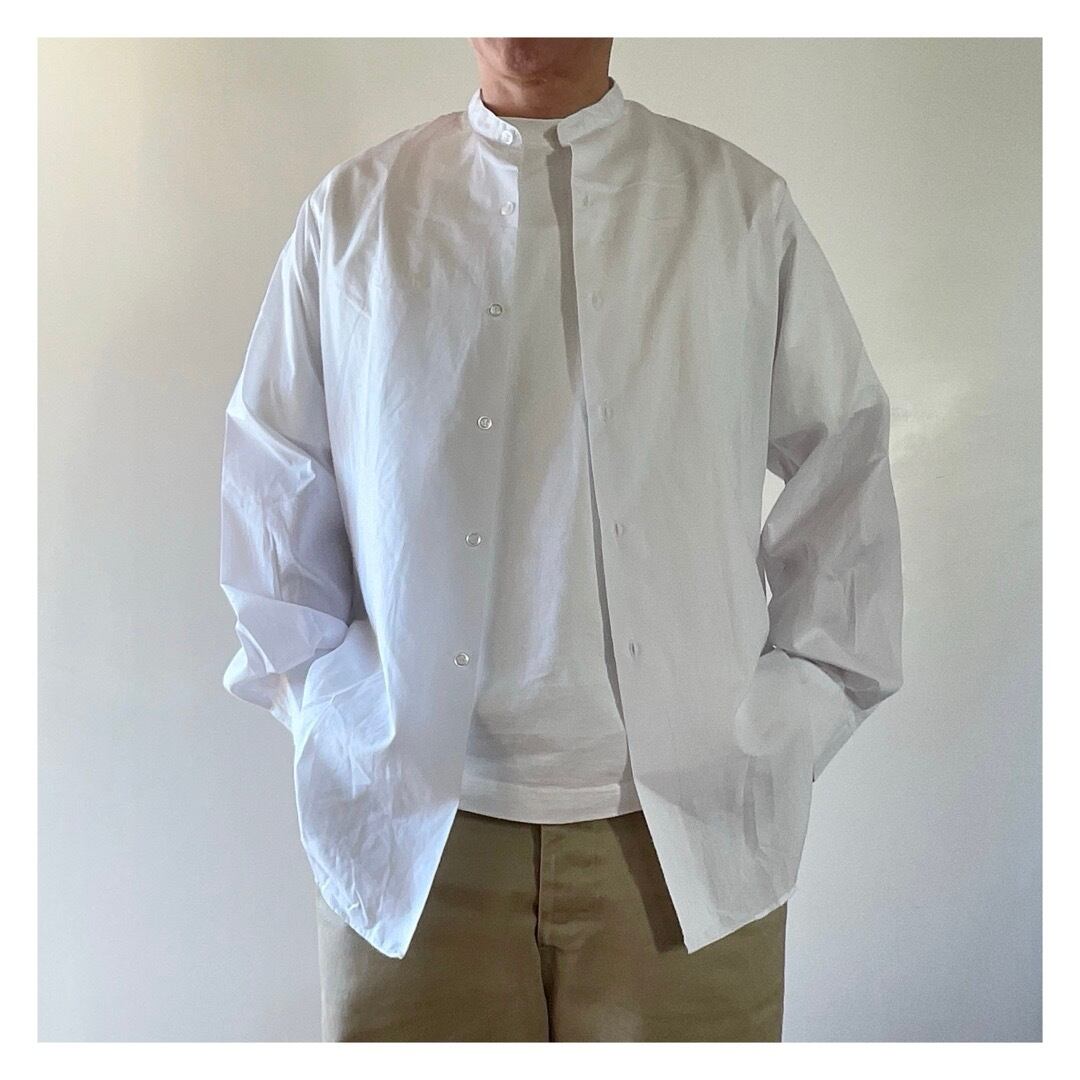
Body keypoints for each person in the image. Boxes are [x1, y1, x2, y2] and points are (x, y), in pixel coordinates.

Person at [219, 37, 904, 1042]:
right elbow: (270, 483)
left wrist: (790, 718)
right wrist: (332, 709)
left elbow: (844, 469)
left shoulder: (738, 209)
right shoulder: (356, 216)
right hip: (414, 846)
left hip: (688, 848)